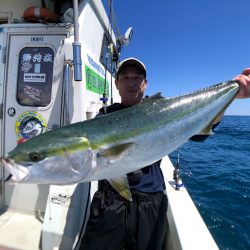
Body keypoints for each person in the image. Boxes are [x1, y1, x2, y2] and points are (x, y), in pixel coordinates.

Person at [81, 58, 250, 250]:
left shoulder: (161, 111)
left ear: (145, 84)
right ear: (116, 83)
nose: (131, 82)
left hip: (151, 201)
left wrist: (232, 92)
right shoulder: (103, 117)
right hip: (109, 202)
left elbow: (199, 132)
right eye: (125, 77)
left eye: (137, 77)